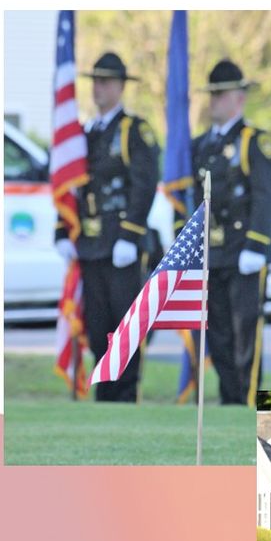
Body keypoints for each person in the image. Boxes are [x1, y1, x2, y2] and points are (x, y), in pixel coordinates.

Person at [62, 52, 160, 402]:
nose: (98, 88)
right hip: (92, 247)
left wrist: (131, 233)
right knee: (98, 326)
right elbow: (71, 186)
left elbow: (144, 184)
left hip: (122, 246)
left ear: (120, 87)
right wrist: (64, 231)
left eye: (106, 82)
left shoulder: (133, 130)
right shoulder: (84, 134)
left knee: (124, 328)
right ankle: (105, 395)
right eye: (95, 81)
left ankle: (124, 395)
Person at [191, 60, 271, 405]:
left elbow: (266, 196)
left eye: (221, 94)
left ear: (239, 97)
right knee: (219, 334)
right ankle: (229, 400)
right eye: (211, 95)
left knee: (245, 336)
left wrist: (256, 243)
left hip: (244, 253)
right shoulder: (200, 145)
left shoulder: (254, 141)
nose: (215, 101)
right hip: (213, 255)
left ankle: (248, 400)